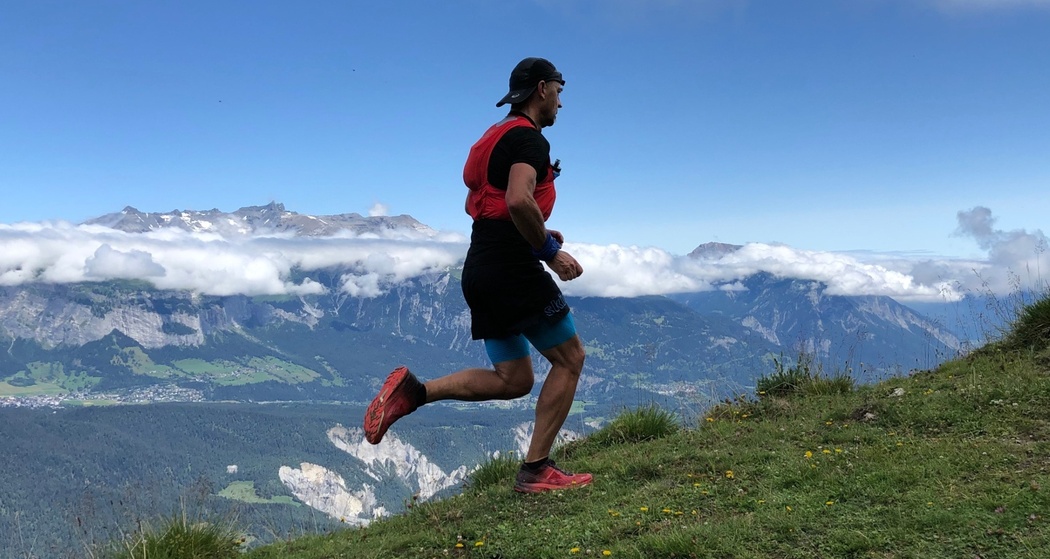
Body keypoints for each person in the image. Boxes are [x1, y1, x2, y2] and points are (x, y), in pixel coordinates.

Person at [363, 57, 591, 494]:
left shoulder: (492, 137)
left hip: (481, 265)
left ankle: (415, 392)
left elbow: (496, 208)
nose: (562, 104)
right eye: (560, 93)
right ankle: (537, 471)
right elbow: (519, 201)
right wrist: (549, 252)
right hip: (511, 269)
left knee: (514, 380)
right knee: (571, 358)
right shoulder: (529, 140)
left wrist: (536, 233)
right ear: (542, 89)